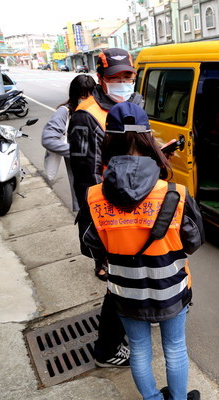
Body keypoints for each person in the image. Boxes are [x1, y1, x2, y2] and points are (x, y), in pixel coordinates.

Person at [78, 102, 205, 400]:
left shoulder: (94, 197)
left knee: (138, 349)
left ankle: (152, 398)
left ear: (108, 140)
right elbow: (194, 242)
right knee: (175, 347)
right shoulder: (175, 193)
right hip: (171, 289)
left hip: (125, 292)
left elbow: (90, 247)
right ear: (149, 139)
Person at [68, 48, 143, 367]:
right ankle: (107, 348)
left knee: (136, 276)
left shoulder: (133, 104)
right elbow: (87, 181)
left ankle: (134, 321)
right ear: (101, 79)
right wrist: (103, 225)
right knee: (121, 283)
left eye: (128, 76)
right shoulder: (86, 116)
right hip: (110, 214)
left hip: (137, 204)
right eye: (116, 77)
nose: (124, 82)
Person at [41, 74, 96, 212]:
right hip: (81, 171)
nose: (87, 100)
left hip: (100, 168)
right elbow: (49, 139)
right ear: (74, 95)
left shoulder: (97, 110)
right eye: (83, 97)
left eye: (91, 96)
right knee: (86, 208)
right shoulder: (64, 112)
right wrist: (77, 153)